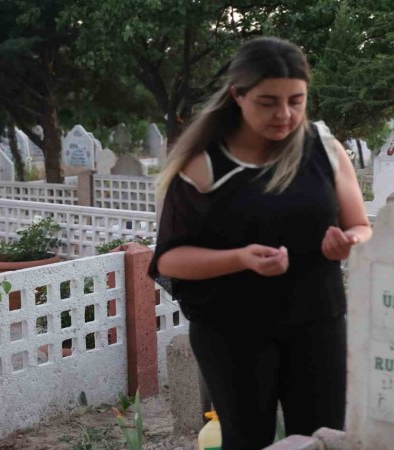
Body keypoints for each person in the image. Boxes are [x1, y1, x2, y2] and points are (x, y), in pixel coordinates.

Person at [148, 36, 372, 450]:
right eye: (268, 102)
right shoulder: (204, 165)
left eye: (296, 101)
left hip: (317, 321)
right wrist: (241, 258)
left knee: (321, 438)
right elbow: (171, 260)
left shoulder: (324, 149)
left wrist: (348, 241)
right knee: (247, 439)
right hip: (233, 330)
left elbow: (360, 224)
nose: (284, 114)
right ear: (238, 95)